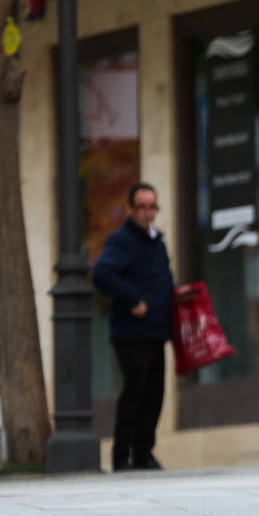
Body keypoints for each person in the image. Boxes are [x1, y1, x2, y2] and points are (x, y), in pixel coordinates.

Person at [91, 182, 175, 472]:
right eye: (142, 207)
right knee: (134, 394)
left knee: (154, 394)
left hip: (155, 331)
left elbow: (162, 280)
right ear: (130, 209)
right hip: (131, 333)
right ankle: (120, 457)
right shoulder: (121, 241)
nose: (148, 213)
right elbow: (102, 273)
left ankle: (143, 454)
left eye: (153, 207)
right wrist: (133, 300)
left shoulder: (157, 241)